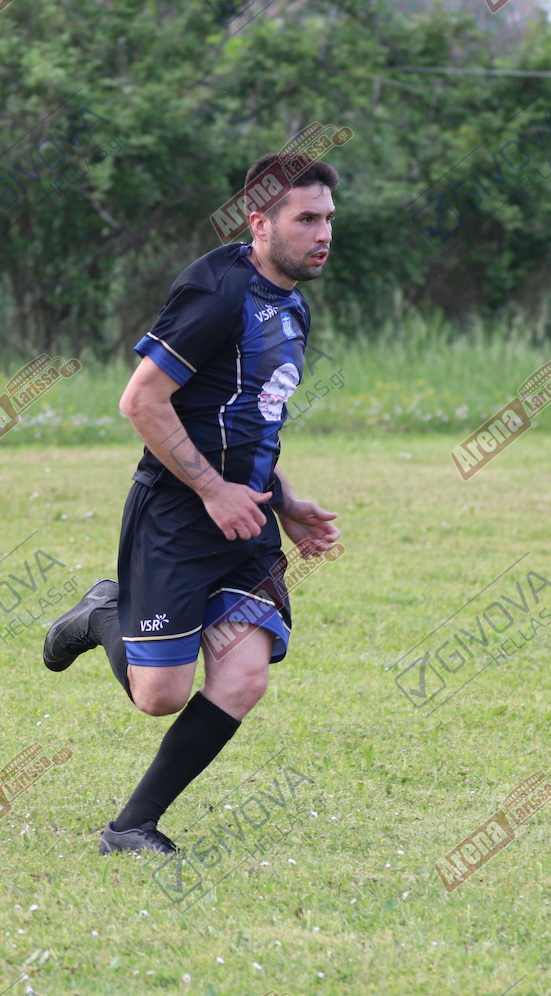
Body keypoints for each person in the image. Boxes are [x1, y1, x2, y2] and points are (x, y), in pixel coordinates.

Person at [43, 154, 342, 855]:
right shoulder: (216, 293)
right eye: (306, 219)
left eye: (328, 219)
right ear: (259, 222)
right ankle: (103, 612)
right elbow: (141, 401)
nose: (323, 233)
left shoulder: (291, 305)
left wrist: (286, 502)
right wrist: (211, 490)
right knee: (160, 696)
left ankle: (131, 827)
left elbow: (249, 421)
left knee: (244, 677)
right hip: (177, 517)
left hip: (246, 518)